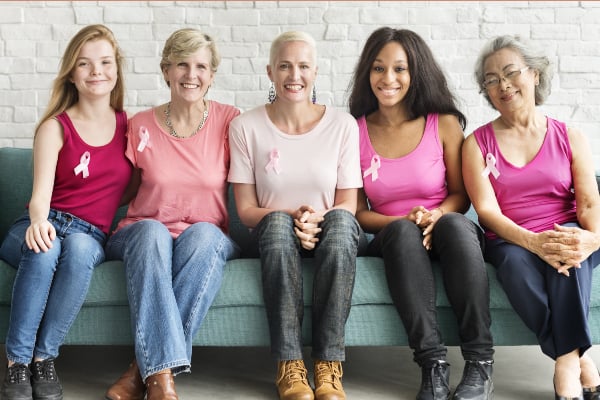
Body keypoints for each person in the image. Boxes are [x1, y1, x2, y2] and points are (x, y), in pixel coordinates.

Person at [347, 27, 495, 400]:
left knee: (458, 226)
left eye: (400, 68)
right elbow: (358, 212)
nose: (389, 79)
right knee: (401, 233)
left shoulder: (442, 124)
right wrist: (406, 220)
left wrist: (434, 215)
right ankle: (433, 365)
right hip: (393, 235)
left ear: (416, 73)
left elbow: (462, 195)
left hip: (443, 226)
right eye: (379, 69)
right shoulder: (354, 132)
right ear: (368, 73)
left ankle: (480, 363)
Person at [103, 28, 240, 400]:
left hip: (204, 234)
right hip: (142, 233)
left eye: (200, 66)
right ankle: (161, 379)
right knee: (152, 233)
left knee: (207, 235)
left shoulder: (231, 121)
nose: (190, 75)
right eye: (182, 64)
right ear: (166, 70)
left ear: (212, 75)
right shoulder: (139, 125)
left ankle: (143, 370)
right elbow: (119, 187)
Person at [463, 34, 600, 400]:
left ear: (535, 75)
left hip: (567, 226)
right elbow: (487, 211)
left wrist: (593, 238)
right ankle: (580, 359)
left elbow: (588, 202)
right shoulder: (476, 144)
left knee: (568, 248)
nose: (503, 85)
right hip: (511, 239)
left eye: (511, 73)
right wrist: (533, 242)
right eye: (492, 80)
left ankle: (565, 367)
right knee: (515, 267)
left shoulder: (569, 135)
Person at [228, 31, 362, 400]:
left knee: (340, 222)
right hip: (274, 236)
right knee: (274, 222)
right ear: (270, 72)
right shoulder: (245, 127)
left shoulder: (343, 126)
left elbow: (348, 205)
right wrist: (291, 215)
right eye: (285, 66)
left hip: (330, 229)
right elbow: (246, 211)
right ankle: (289, 365)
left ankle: (327, 364)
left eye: (303, 66)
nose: (294, 75)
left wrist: (315, 220)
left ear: (316, 71)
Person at [0, 24, 131, 400]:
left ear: (116, 70)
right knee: (47, 248)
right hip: (40, 222)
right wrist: (40, 223)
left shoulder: (130, 127)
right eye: (85, 64)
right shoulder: (55, 127)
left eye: (105, 62)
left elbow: (137, 187)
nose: (96, 72)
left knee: (75, 250)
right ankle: (18, 364)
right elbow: (39, 195)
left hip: (89, 235)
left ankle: (44, 358)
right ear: (72, 72)